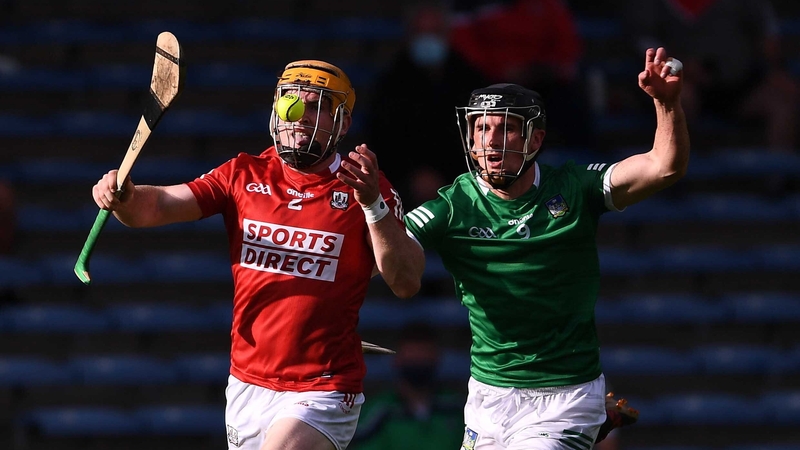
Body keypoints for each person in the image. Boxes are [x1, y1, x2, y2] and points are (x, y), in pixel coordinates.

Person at [91, 60, 426, 450]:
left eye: (316, 105)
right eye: (290, 103)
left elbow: (406, 281)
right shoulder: (244, 174)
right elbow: (157, 205)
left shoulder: (365, 186)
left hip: (323, 387)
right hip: (248, 382)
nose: (299, 116)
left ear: (343, 123)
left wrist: (372, 205)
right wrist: (125, 196)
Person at [403, 46, 687, 448]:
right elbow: (388, 255)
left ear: (535, 138)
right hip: (488, 397)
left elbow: (664, 166)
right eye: (481, 129)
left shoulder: (575, 188)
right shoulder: (452, 205)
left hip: (565, 397)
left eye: (505, 129)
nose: (490, 141)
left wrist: (666, 103)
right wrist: (375, 211)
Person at [624, 0, 798, 152]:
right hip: (682, 80)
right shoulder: (651, 5)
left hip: (738, 83)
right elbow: (643, 39)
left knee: (785, 99)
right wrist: (680, 64)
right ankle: (682, 175)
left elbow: (767, 36)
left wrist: (774, 69)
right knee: (679, 99)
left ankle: (777, 182)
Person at [365, 1, 489, 210]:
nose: (428, 39)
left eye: (434, 31)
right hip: (405, 182)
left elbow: (480, 134)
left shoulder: (470, 80)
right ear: (409, 35)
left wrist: (457, 178)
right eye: (421, 32)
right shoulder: (390, 84)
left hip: (463, 176)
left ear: (447, 33)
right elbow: (383, 138)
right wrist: (414, 174)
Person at [449, 0, 594, 148]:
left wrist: (543, 68)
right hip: (489, 81)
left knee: (570, 101)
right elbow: (465, 48)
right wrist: (500, 69)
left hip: (541, 79)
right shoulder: (471, 7)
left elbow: (567, 46)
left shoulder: (547, 5)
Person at [351, 322, 464, 450]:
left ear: (437, 357)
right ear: (397, 360)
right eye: (412, 356)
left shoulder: (456, 408)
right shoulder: (377, 413)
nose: (418, 361)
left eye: (423, 355)